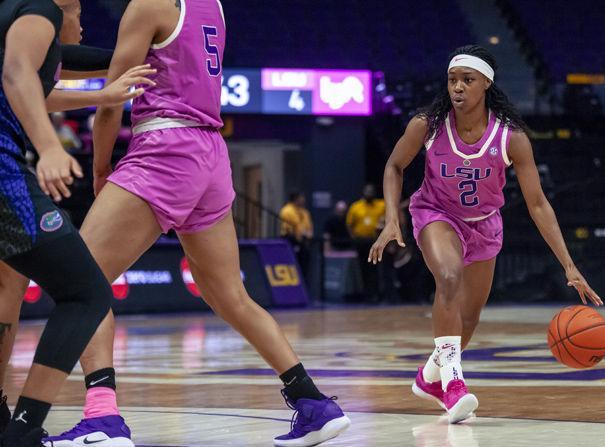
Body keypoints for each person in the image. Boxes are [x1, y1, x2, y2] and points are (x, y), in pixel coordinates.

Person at [0, 1, 351, 446]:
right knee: (231, 296)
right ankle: (312, 402)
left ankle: (102, 417)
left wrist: (102, 166)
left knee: (83, 280)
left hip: (164, 148)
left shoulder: (148, 4)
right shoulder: (215, 7)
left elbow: (114, 99)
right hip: (211, 154)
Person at [369, 45, 603, 424]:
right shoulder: (426, 125)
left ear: (486, 84)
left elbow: (539, 204)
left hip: (485, 224)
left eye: (467, 80)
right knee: (447, 278)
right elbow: (394, 165)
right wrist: (391, 219)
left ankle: (430, 378)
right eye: (452, 80)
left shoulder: (511, 138)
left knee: (468, 320)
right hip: (436, 213)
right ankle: (454, 386)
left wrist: (569, 264)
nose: (457, 87)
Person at [0, 0, 151, 445]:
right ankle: (23, 433)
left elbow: (42, 77)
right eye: (80, 12)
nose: (82, 23)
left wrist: (105, 91)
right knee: (87, 292)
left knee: (8, 282)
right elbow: (18, 74)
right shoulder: (40, 8)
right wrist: (48, 146)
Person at [347, 184, 385, 300]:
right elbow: (349, 224)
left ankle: (376, 294)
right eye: (367, 191)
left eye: (371, 191)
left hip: (375, 241)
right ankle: (366, 294)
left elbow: (388, 218)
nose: (369, 193)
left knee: (375, 268)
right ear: (363, 192)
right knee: (363, 268)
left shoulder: (381, 205)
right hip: (361, 242)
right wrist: (353, 237)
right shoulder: (356, 207)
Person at [279, 191, 314, 277]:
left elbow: (308, 226)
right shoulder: (287, 210)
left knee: (304, 267)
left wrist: (308, 235)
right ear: (296, 199)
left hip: (303, 241)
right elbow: (294, 227)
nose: (304, 200)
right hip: (291, 239)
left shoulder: (304, 212)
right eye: (301, 198)